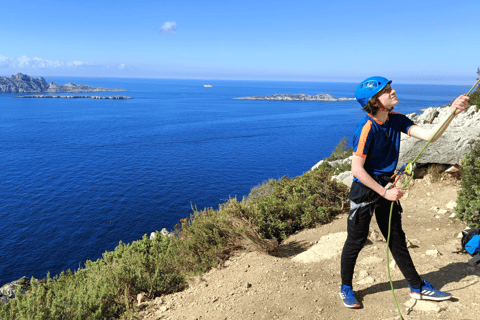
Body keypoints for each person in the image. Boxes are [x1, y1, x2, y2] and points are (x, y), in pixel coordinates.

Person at [340, 76, 470, 309]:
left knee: (396, 239)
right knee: (356, 240)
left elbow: (431, 136)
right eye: (387, 90)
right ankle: (346, 287)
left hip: (387, 186)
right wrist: (383, 192)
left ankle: (417, 286)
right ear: (375, 101)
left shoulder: (396, 119)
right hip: (368, 189)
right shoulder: (367, 128)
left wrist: (453, 112)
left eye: (390, 88)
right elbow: (356, 170)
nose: (393, 91)